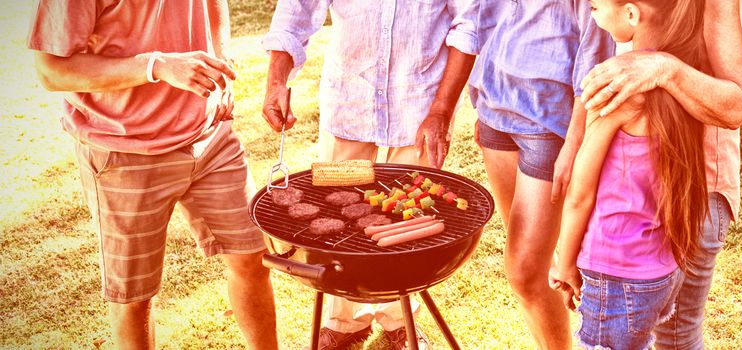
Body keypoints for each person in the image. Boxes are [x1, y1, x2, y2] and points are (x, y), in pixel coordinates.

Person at [28, 1, 278, 349]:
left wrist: (220, 57)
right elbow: (51, 71)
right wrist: (156, 66)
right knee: (134, 297)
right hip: (126, 150)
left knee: (253, 256)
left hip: (210, 136)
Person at [261, 1, 478, 349]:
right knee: (335, 221)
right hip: (349, 102)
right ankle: (344, 320)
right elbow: (296, 10)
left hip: (421, 105)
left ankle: (400, 319)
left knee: (407, 225)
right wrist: (275, 83)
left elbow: (469, 24)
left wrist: (442, 110)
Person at [577, 0, 742, 349]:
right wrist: (576, 143)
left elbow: (735, 106)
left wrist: (664, 68)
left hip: (696, 189)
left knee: (675, 335)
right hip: (627, 192)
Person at [547, 0, 717, 348]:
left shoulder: (614, 87)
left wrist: (563, 264)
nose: (589, 7)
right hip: (662, 269)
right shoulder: (686, 77)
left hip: (614, 270)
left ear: (631, 14)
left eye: (596, 5)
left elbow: (580, 196)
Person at [466, 0, 614, 348]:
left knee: (524, 272)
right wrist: (483, 91)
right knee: (533, 267)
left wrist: (575, 140)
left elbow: (596, 47)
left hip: (547, 119)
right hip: (495, 108)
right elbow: (487, 15)